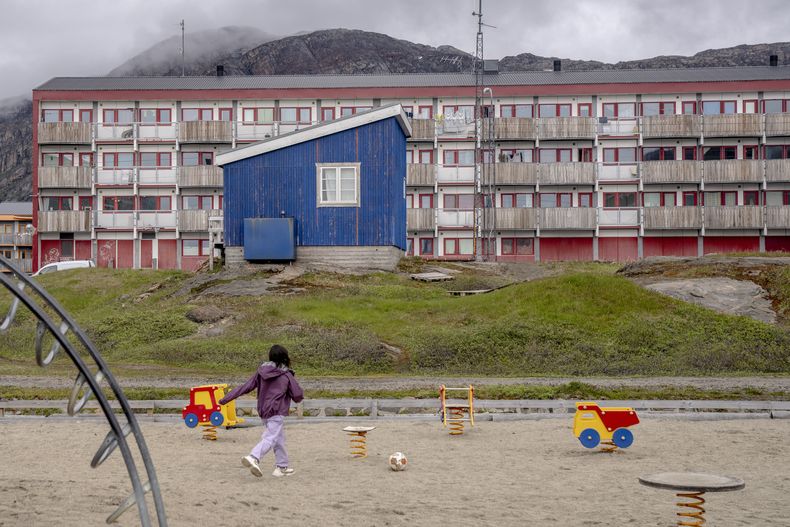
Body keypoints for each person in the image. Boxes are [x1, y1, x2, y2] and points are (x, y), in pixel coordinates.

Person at [219, 344, 304, 478]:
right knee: (270, 437)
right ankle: (254, 457)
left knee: (278, 438)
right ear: (285, 358)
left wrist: (225, 399)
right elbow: (298, 396)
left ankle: (281, 467)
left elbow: (245, 387)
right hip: (277, 411)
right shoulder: (286, 375)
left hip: (264, 411)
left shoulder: (261, 372)